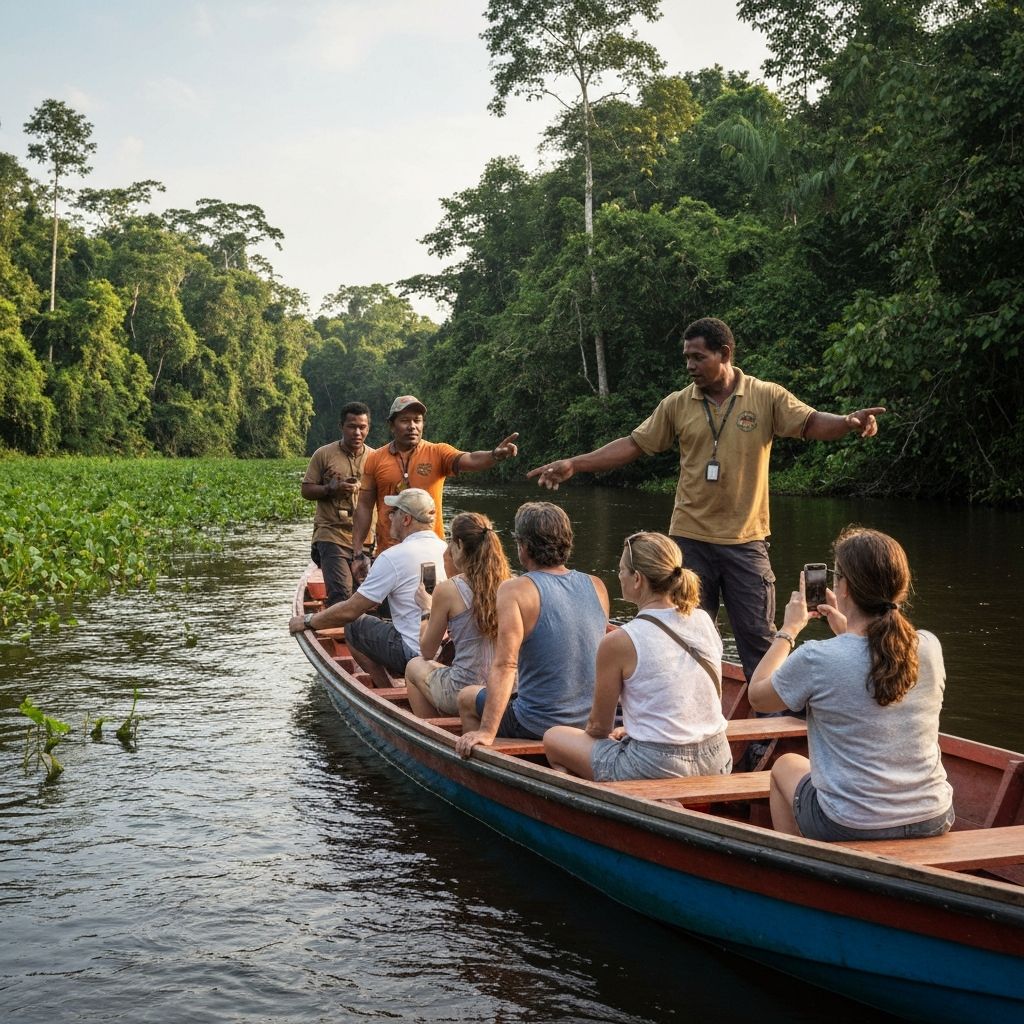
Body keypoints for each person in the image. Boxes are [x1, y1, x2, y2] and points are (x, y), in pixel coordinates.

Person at [527, 317, 886, 685]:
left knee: (758, 640)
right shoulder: (678, 404)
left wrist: (847, 422)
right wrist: (575, 463)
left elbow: (810, 423)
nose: (690, 366)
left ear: (724, 354)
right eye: (687, 357)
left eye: (698, 357)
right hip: (690, 540)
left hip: (745, 541)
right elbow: (634, 445)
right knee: (685, 637)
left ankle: (768, 725)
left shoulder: (765, 396)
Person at [747, 527, 954, 841]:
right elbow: (869, 662)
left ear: (843, 588)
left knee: (785, 766)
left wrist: (789, 630)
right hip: (933, 817)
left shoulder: (817, 658)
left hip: (848, 824)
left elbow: (758, 697)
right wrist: (846, 633)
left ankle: (801, 872)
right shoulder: (929, 646)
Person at [545, 532, 731, 781]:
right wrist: (635, 730)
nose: (619, 575)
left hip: (656, 765)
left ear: (637, 580)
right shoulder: (703, 620)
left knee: (554, 738)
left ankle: (604, 801)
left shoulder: (619, 641)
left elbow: (599, 728)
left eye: (622, 570)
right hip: (718, 757)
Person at [455, 502, 609, 757]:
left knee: (467, 697)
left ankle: (482, 765)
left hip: (535, 724)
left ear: (523, 546)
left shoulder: (514, 589)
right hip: (586, 722)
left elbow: (505, 665)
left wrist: (487, 731)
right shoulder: (597, 585)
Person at [289, 488, 448, 689]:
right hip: (445, 651)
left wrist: (309, 621)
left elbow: (351, 610)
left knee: (354, 626)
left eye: (394, 513)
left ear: (406, 519)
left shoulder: (393, 556)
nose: (389, 518)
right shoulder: (446, 549)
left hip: (412, 653)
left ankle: (387, 690)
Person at [350, 396, 519, 576]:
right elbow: (364, 506)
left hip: (431, 554)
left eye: (417, 420)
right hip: (389, 551)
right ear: (392, 425)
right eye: (405, 420)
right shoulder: (376, 459)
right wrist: (358, 552)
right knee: (387, 603)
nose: (412, 426)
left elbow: (469, 459)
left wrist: (493, 455)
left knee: (430, 599)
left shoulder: (438, 452)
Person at [404, 512, 512, 718]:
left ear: (459, 545)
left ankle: (432, 732)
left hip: (462, 691)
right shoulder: (513, 584)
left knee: (414, 666)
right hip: (506, 692)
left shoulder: (447, 590)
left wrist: (427, 610)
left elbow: (426, 651)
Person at [300, 401, 376, 605]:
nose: (357, 432)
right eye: (352, 426)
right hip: (332, 534)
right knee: (342, 596)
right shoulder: (323, 454)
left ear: (368, 428)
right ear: (341, 426)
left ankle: (359, 632)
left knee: (368, 598)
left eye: (362, 427)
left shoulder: (376, 458)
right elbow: (306, 490)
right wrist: (329, 489)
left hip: (367, 538)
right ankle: (343, 629)